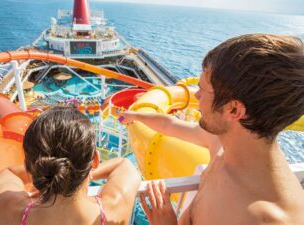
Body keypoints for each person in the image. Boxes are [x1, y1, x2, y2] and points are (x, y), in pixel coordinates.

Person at [120, 34, 304, 225]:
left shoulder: (259, 218)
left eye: (202, 89)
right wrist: (137, 115)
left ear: (234, 109)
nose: (196, 96)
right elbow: (170, 124)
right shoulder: (223, 145)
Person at [0, 106, 141, 225]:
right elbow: (123, 165)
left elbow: (9, 173)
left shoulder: (8, 209)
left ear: (31, 167)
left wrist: (46, 173)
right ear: (94, 160)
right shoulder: (113, 210)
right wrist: (82, 170)